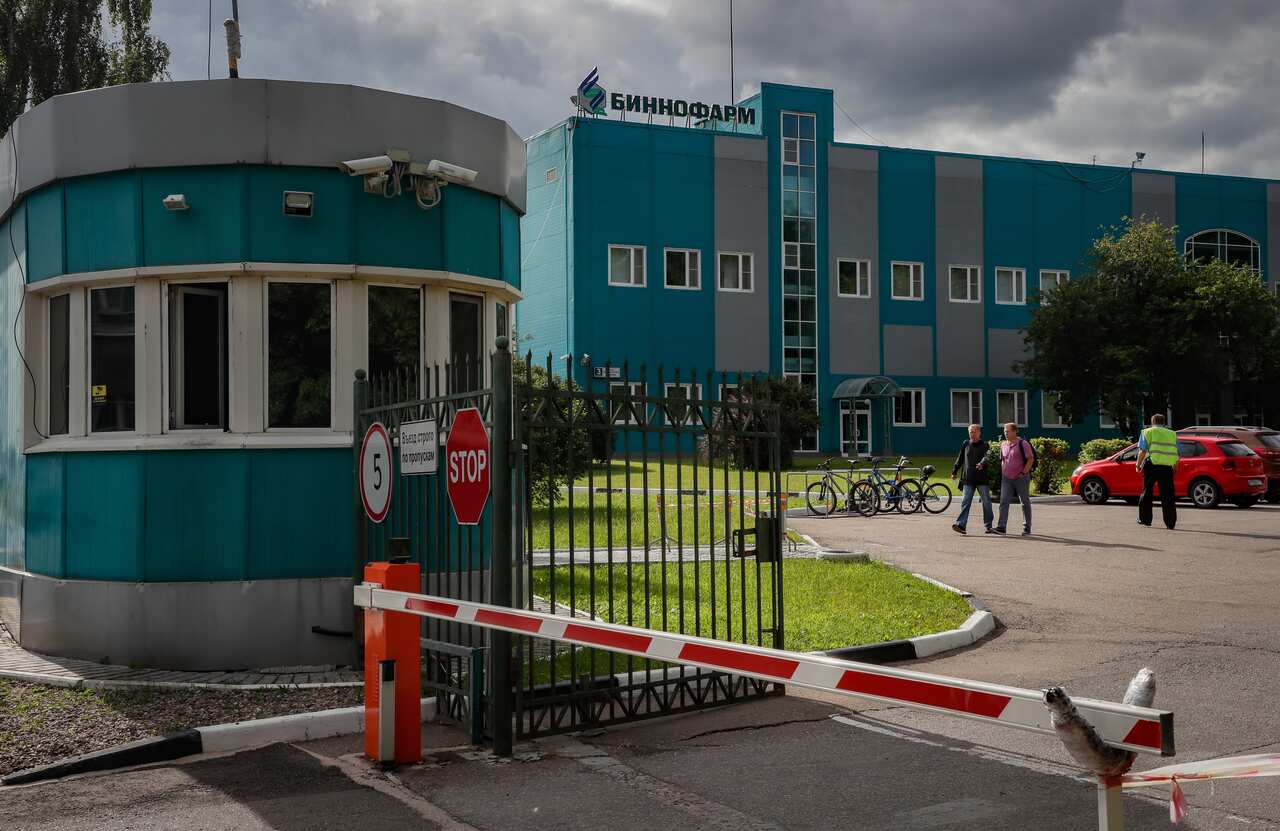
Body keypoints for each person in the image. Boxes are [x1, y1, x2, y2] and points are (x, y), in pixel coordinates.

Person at [1136, 413, 1179, 529]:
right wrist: (1175, 466)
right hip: (1167, 467)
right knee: (1168, 494)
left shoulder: (1147, 432)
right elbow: (1176, 452)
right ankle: (1170, 523)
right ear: (1164, 422)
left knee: (1147, 492)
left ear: (1153, 421)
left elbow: (1142, 451)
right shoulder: (1172, 434)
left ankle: (1145, 519)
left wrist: (1138, 464)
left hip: (1151, 465)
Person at [950, 423, 992, 534]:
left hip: (981, 479)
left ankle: (989, 525)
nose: (972, 434)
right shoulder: (966, 443)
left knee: (986, 502)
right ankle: (961, 525)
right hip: (968, 478)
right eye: (970, 432)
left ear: (979, 433)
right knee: (965, 501)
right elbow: (960, 458)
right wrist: (954, 471)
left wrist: (982, 463)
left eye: (974, 432)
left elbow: (987, 456)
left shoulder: (985, 445)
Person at [994, 422, 1035, 536]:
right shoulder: (1003, 444)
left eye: (1008, 431)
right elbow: (1003, 459)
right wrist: (1003, 471)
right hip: (1007, 478)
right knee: (1003, 502)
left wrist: (1023, 473)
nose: (1005, 433)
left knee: (1024, 502)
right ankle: (1001, 527)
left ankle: (1027, 527)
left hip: (1021, 478)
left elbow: (1030, 459)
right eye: (1004, 431)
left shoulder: (1023, 444)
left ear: (1015, 431)